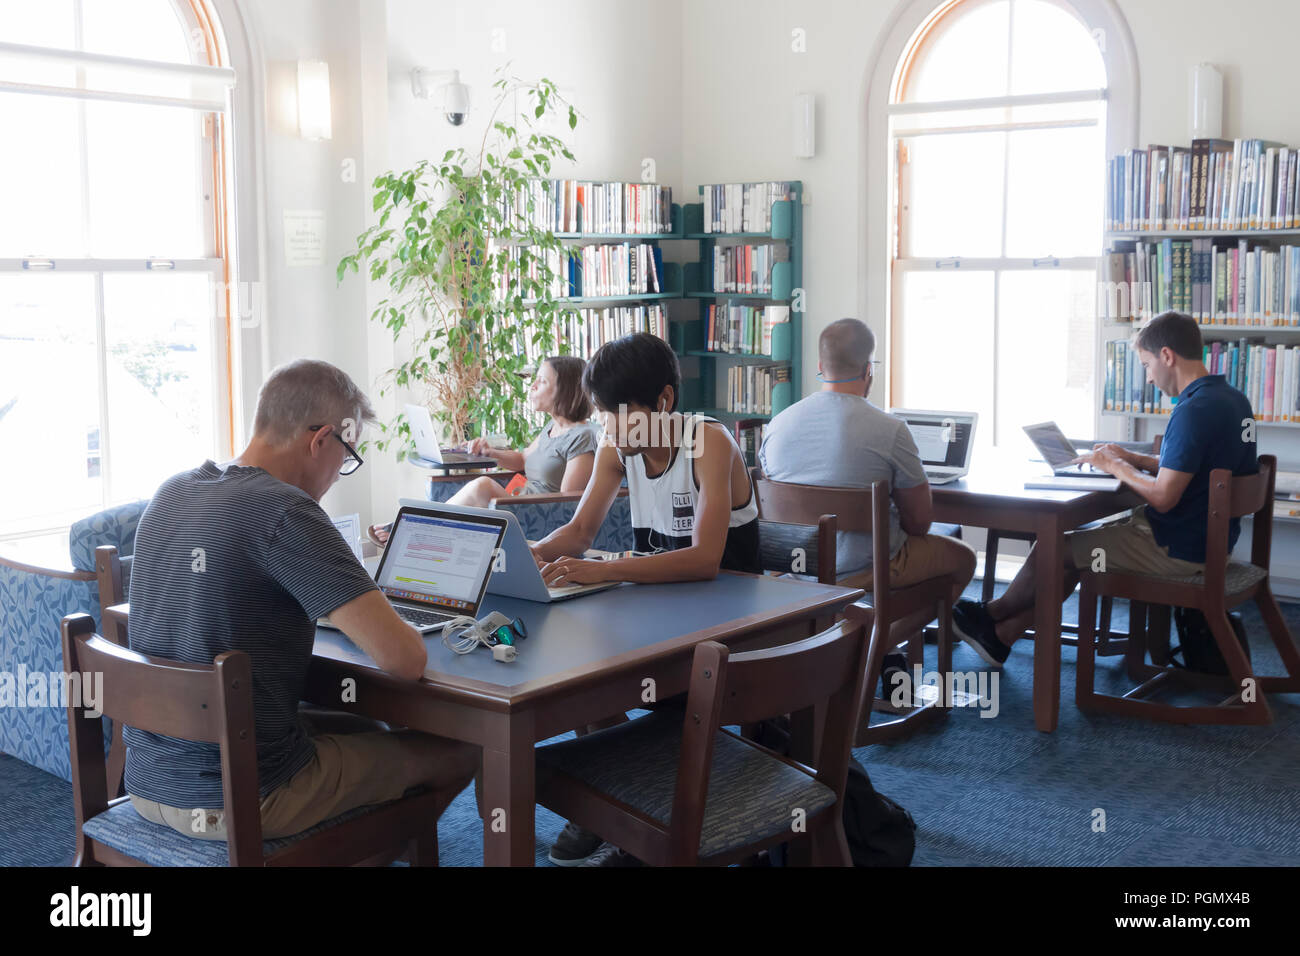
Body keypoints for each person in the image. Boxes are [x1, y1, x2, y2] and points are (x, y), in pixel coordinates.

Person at [124, 359, 479, 842]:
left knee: (371, 731)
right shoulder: (287, 511)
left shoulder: (172, 491)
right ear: (321, 440)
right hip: (245, 796)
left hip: (148, 779)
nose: (339, 475)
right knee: (463, 749)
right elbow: (405, 659)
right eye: (347, 457)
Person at [529, 332, 761, 866]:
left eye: (616, 413)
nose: (606, 427)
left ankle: (636, 810)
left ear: (662, 402)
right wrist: (522, 552)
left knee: (598, 663)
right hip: (661, 612)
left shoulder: (709, 443)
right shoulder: (618, 448)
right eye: (602, 414)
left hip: (730, 621)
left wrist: (600, 571)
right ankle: (611, 803)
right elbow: (580, 531)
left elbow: (706, 560)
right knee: (577, 664)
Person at [952, 310, 1258, 667]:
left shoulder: (1192, 410)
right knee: (1078, 553)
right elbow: (1195, 467)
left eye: (1146, 365)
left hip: (1176, 550)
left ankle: (990, 615)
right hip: (1210, 545)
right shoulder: (1232, 400)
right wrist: (1133, 458)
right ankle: (1001, 636)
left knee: (1054, 549)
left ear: (1167, 357)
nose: (1149, 377)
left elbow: (1164, 495)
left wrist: (1113, 466)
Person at [759, 317, 976, 670]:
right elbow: (920, 523)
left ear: (819, 367)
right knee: (963, 560)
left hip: (795, 571)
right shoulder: (890, 431)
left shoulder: (777, 426)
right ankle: (875, 646)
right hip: (865, 570)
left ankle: (846, 645)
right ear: (868, 370)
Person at [368, 356, 599, 545]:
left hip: (534, 515)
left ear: (566, 390)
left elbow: (570, 501)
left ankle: (413, 527)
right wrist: (491, 453)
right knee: (480, 491)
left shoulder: (582, 436)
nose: (533, 386)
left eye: (543, 381)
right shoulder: (551, 427)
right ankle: (418, 531)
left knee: (483, 485)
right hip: (516, 503)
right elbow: (522, 460)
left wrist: (511, 498)